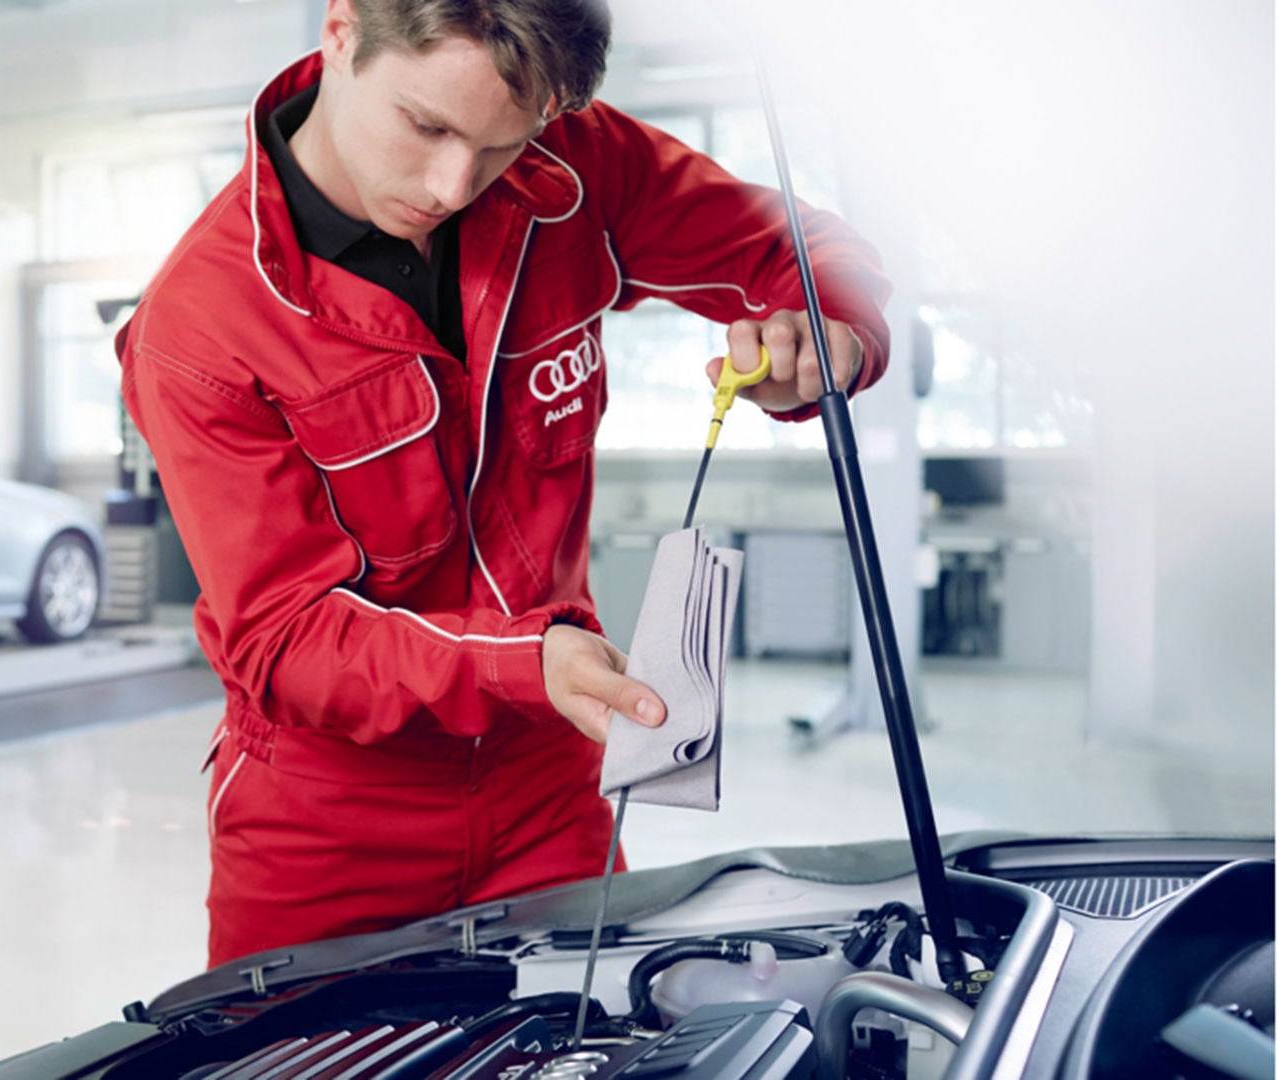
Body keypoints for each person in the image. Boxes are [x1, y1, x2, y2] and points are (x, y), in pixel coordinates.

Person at [115, 0, 892, 968]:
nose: (453, 184)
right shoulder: (202, 327)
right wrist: (524, 663)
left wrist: (834, 340)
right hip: (330, 828)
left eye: (498, 145)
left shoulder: (572, 168)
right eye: (427, 126)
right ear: (343, 31)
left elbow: (801, 249)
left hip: (547, 788)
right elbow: (285, 637)